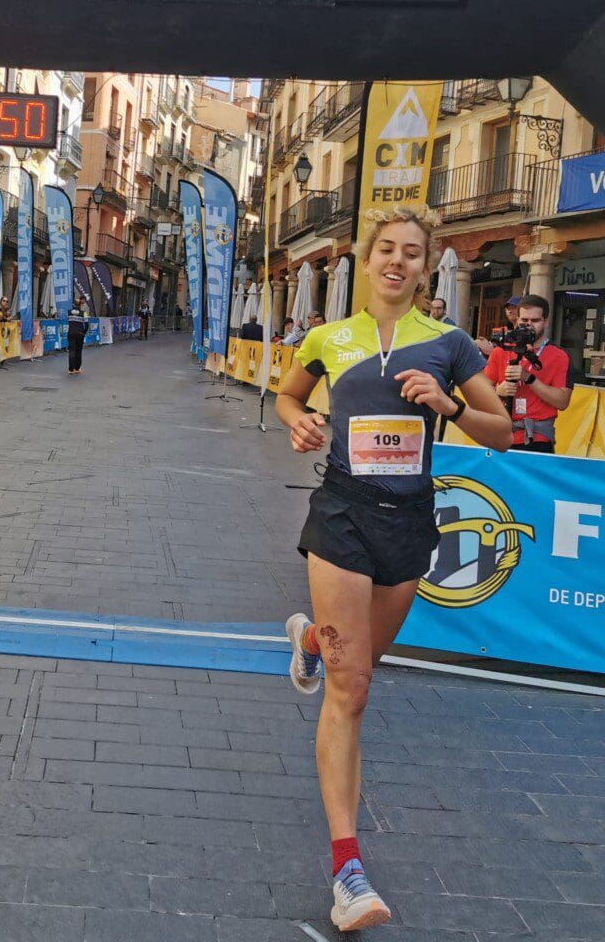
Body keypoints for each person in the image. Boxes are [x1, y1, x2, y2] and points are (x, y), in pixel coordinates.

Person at [274, 207, 511, 933]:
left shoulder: (450, 342)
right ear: (368, 258)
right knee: (350, 693)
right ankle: (348, 871)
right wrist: (299, 421)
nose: (398, 262)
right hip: (342, 512)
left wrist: (449, 406)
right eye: (387, 249)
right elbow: (287, 394)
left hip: (409, 525)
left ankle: (311, 641)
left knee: (357, 666)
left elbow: (502, 432)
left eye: (413, 253)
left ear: (425, 266)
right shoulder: (328, 337)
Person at [484, 293, 572, 452]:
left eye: (535, 320)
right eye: (524, 320)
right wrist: (497, 391)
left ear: (545, 321)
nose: (529, 325)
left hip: (537, 437)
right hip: (501, 434)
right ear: (517, 320)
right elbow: (480, 394)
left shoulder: (559, 355)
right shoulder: (500, 351)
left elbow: (562, 402)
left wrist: (529, 379)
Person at [67, 298, 89, 375]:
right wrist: (84, 332)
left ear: (73, 304)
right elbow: (87, 324)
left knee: (72, 350)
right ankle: (77, 368)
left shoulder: (69, 312)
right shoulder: (84, 313)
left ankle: (70, 369)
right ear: (80, 305)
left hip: (71, 333)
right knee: (79, 351)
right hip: (80, 333)